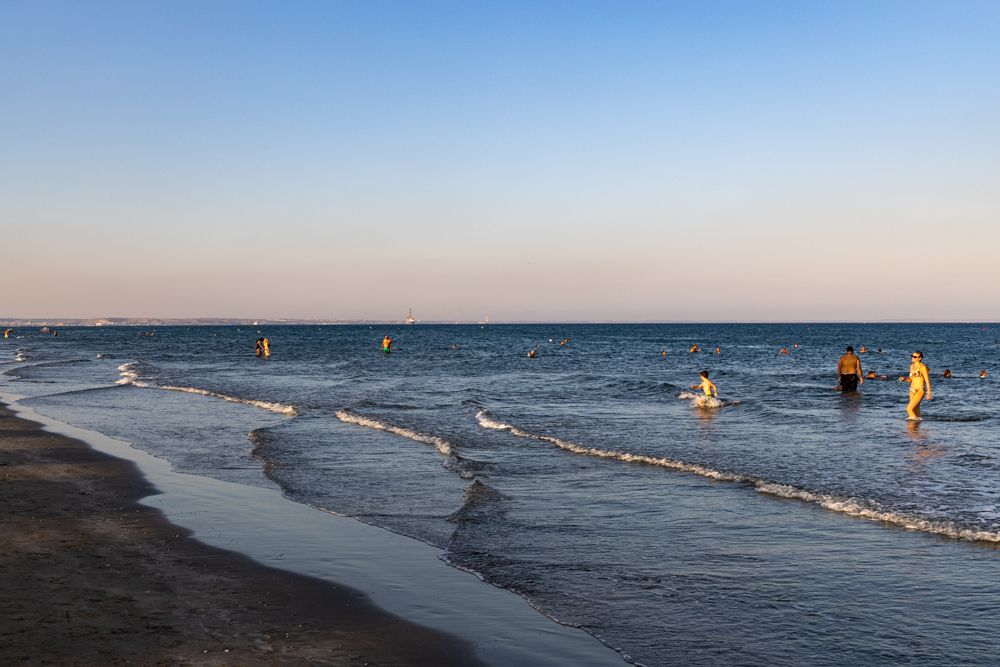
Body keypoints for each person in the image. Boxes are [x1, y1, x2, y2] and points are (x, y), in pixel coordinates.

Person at [899, 351, 931, 420]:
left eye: (915, 357)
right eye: (912, 356)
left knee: (909, 409)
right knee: (915, 410)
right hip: (912, 390)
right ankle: (916, 429)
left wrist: (929, 393)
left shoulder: (923, 367)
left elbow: (927, 380)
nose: (912, 358)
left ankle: (912, 424)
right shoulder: (912, 366)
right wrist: (904, 379)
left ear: (920, 358)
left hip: (920, 390)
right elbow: (911, 379)